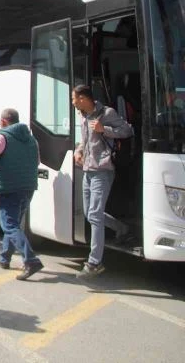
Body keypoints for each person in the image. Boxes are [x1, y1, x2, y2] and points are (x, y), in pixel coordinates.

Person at [71, 85, 133, 278]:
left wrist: (103, 129)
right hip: (88, 170)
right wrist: (79, 151)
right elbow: (85, 141)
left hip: (103, 171)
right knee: (90, 214)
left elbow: (128, 130)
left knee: (95, 215)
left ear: (83, 98)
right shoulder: (84, 116)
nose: (73, 102)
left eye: (74, 99)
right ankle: (122, 229)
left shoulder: (107, 113)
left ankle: (94, 262)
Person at [0, 108, 44, 281]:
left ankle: (31, 261)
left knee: (9, 225)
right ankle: (4, 258)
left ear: (3, 121)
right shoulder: (31, 139)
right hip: (28, 186)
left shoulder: (3, 137)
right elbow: (37, 161)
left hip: (10, 187)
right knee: (14, 223)